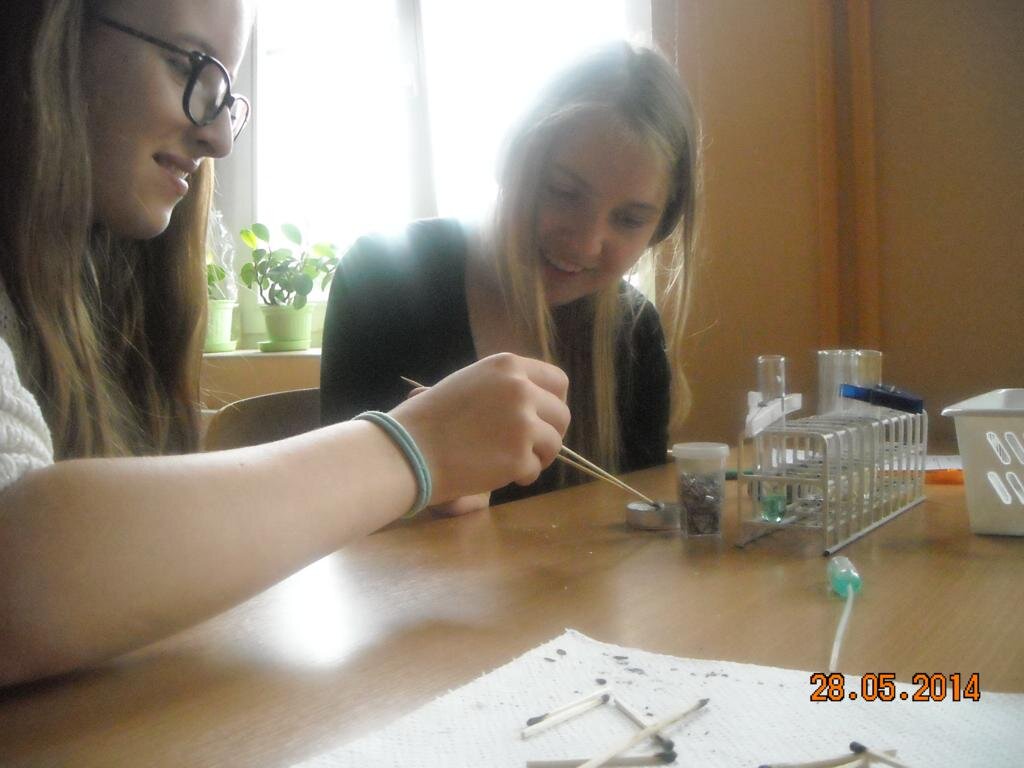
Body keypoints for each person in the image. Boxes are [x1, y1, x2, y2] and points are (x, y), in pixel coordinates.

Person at [0, 0, 570, 687]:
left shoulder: (102, 282)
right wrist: (417, 448)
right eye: (187, 64)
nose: (219, 138)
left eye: (226, 96)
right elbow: (17, 582)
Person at [321, 42, 699, 512]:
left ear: (659, 228)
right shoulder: (381, 278)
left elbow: (638, 533)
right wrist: (418, 485)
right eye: (563, 192)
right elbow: (331, 511)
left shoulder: (635, 333)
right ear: (509, 159)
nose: (585, 243)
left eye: (629, 220)